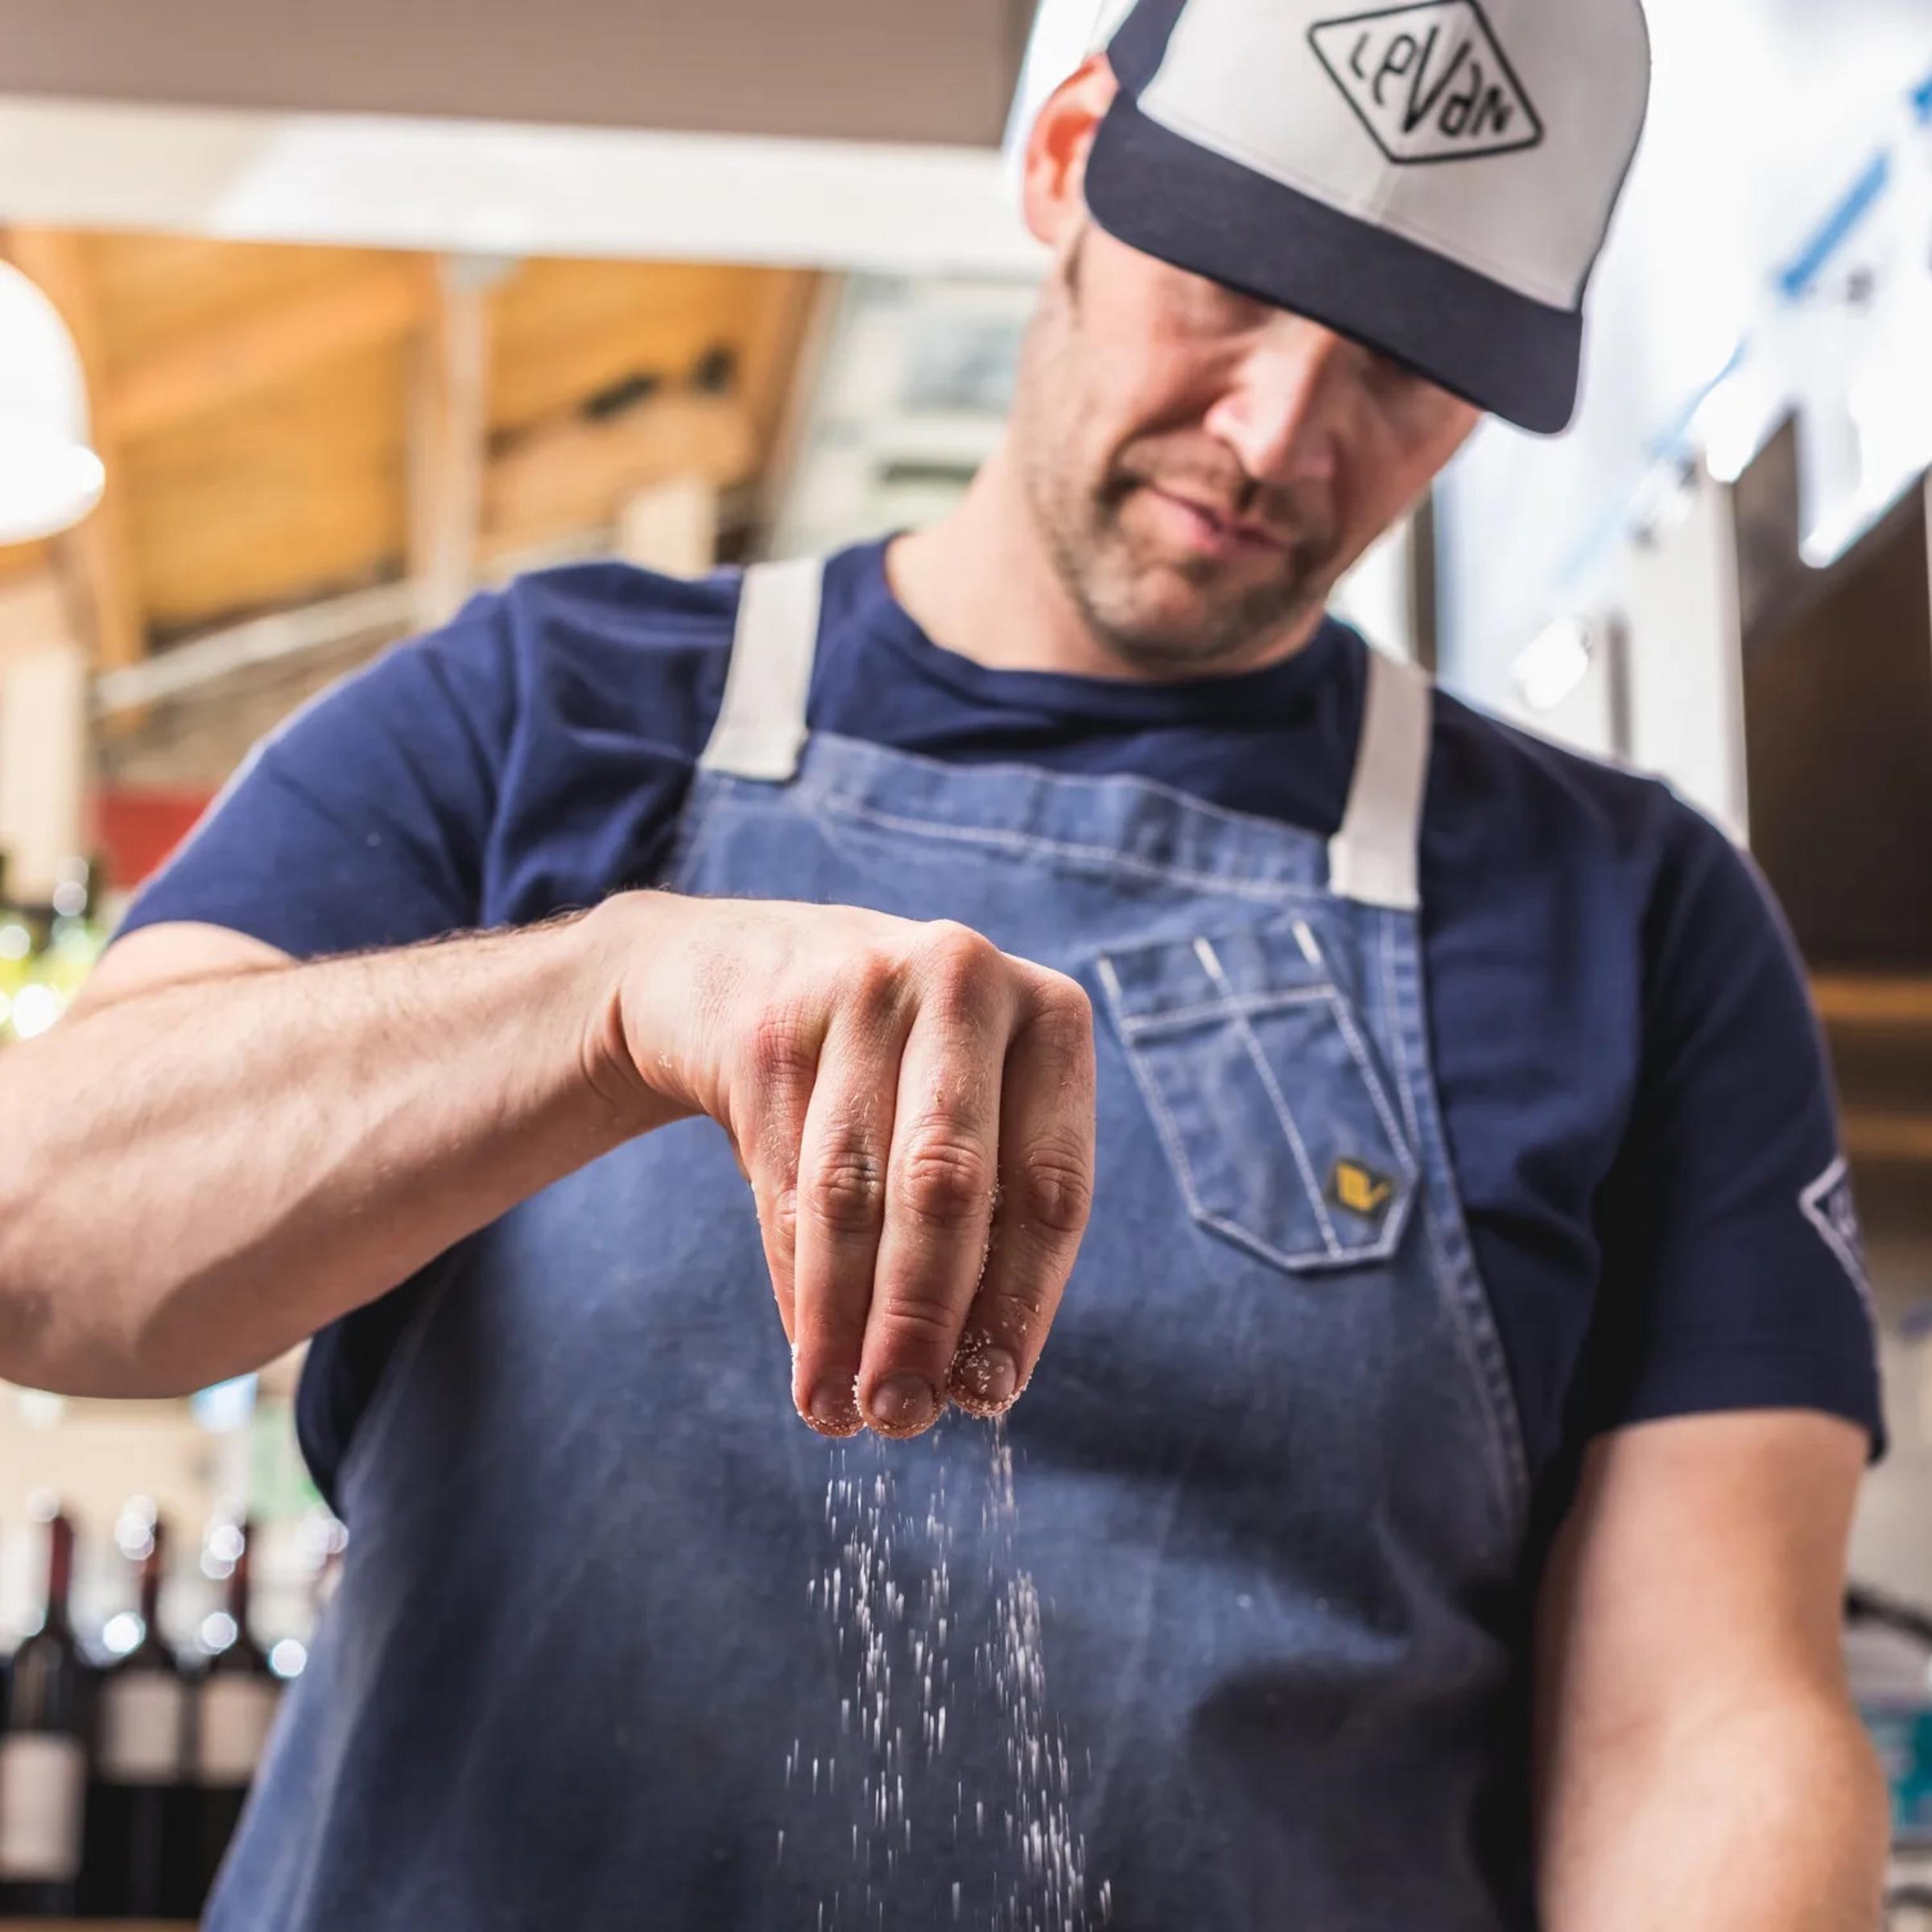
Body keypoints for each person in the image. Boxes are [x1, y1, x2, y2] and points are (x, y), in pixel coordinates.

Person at [0, 0, 1890, 1924]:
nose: (1279, 433)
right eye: (1234, 287)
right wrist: (603, 995)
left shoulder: (1632, 923)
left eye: (1411, 368)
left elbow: (1705, 1726)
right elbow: (41, 1237)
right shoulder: (541, 714)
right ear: (1067, 155)